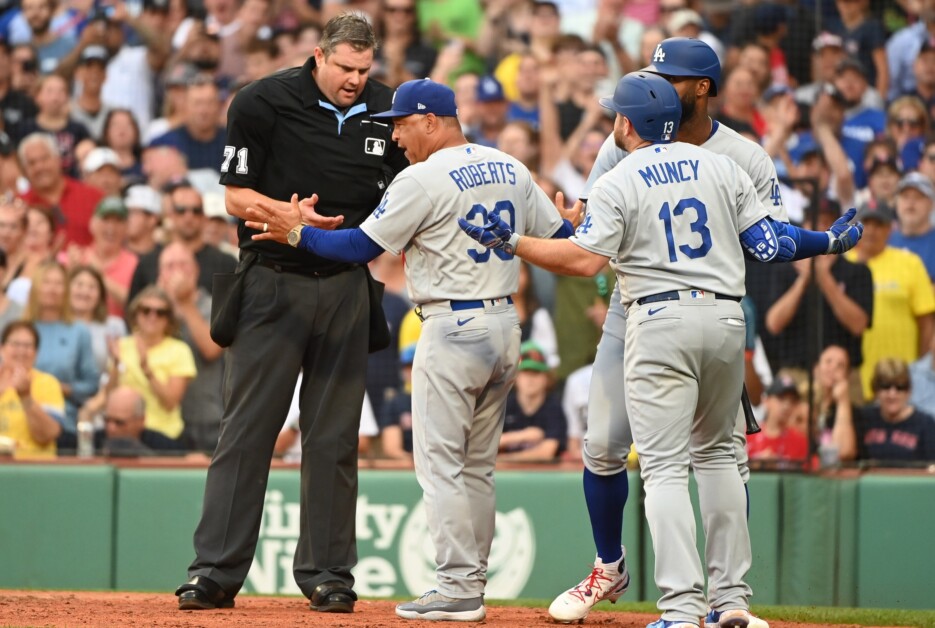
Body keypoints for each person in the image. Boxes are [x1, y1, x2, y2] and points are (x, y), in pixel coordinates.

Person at [459, 71, 862, 628]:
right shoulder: (722, 166)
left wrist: (513, 242)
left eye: (615, 115)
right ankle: (733, 602)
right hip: (724, 318)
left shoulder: (619, 180)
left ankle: (680, 608)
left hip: (658, 316)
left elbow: (581, 262)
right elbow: (772, 243)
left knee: (665, 469)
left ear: (627, 123)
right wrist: (830, 241)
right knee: (720, 458)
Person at [245, 77, 569, 622]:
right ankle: (472, 581)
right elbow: (560, 234)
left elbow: (358, 247)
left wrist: (297, 234)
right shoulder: (509, 165)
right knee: (477, 469)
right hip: (505, 325)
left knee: (441, 465)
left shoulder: (422, 178)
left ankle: (457, 587)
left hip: (453, 326)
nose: (395, 136)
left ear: (431, 121)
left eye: (400, 123)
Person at [535, 39, 790, 626]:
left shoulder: (742, 155)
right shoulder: (622, 142)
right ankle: (610, 566)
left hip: (711, 307)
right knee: (601, 443)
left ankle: (722, 600)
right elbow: (592, 220)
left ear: (701, 87)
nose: (656, 82)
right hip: (635, 309)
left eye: (669, 76)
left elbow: (768, 237)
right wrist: (575, 223)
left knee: (715, 457)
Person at [175, 13, 408, 615]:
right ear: (319, 55)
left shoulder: (388, 109)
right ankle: (215, 574)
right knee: (248, 431)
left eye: (365, 69)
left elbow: (410, 193)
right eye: (346, 68)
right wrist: (290, 216)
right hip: (273, 280)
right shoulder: (262, 101)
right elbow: (233, 195)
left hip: (346, 283)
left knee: (333, 439)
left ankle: (329, 574)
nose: (356, 80)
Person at [112, 286, 196, 441]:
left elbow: (171, 402)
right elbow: (109, 394)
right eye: (146, 310)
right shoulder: (122, 345)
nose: (152, 316)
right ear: (135, 314)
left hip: (163, 433)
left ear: (168, 319)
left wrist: (148, 372)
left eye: (160, 312)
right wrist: (115, 367)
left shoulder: (179, 350)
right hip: (123, 431)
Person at [0, 320, 65, 459]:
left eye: (28, 346)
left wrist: (26, 397)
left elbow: (49, 434)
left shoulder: (48, 383)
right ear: (2, 347)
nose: (21, 351)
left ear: (36, 352)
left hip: (33, 468)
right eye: (15, 344)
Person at [853, 358, 935, 464]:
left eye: (900, 387)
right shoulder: (863, 418)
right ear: (876, 390)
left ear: (908, 391)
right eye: (885, 386)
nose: (892, 394)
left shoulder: (926, 424)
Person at [499, 340, 566, 462]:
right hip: (504, 475)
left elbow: (547, 452)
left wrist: (503, 460)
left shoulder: (553, 407)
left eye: (536, 373)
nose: (530, 379)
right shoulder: (504, 405)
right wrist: (523, 436)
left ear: (547, 378)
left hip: (543, 477)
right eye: (525, 372)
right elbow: (484, 445)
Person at [90, 385, 183, 455]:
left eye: (119, 423)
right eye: (106, 420)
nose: (111, 428)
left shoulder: (165, 449)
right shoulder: (92, 443)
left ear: (141, 421)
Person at [745, 374, 809, 465]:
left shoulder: (800, 441)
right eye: (781, 398)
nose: (787, 406)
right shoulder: (747, 435)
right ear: (766, 401)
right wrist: (756, 465)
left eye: (792, 400)